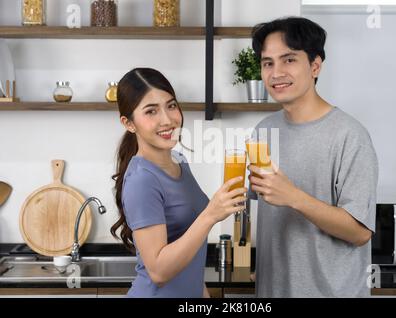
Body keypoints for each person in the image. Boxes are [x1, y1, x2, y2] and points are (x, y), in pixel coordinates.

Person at [248, 17, 379, 297]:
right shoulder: (263, 131)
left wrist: (293, 196)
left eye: (289, 60)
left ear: (315, 65)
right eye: (267, 63)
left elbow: (360, 233)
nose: (276, 72)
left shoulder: (350, 135)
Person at [110, 68, 247, 298]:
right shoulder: (142, 179)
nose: (167, 119)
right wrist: (211, 215)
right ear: (129, 123)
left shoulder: (179, 162)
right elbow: (159, 272)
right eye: (151, 111)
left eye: (171, 105)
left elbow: (190, 259)